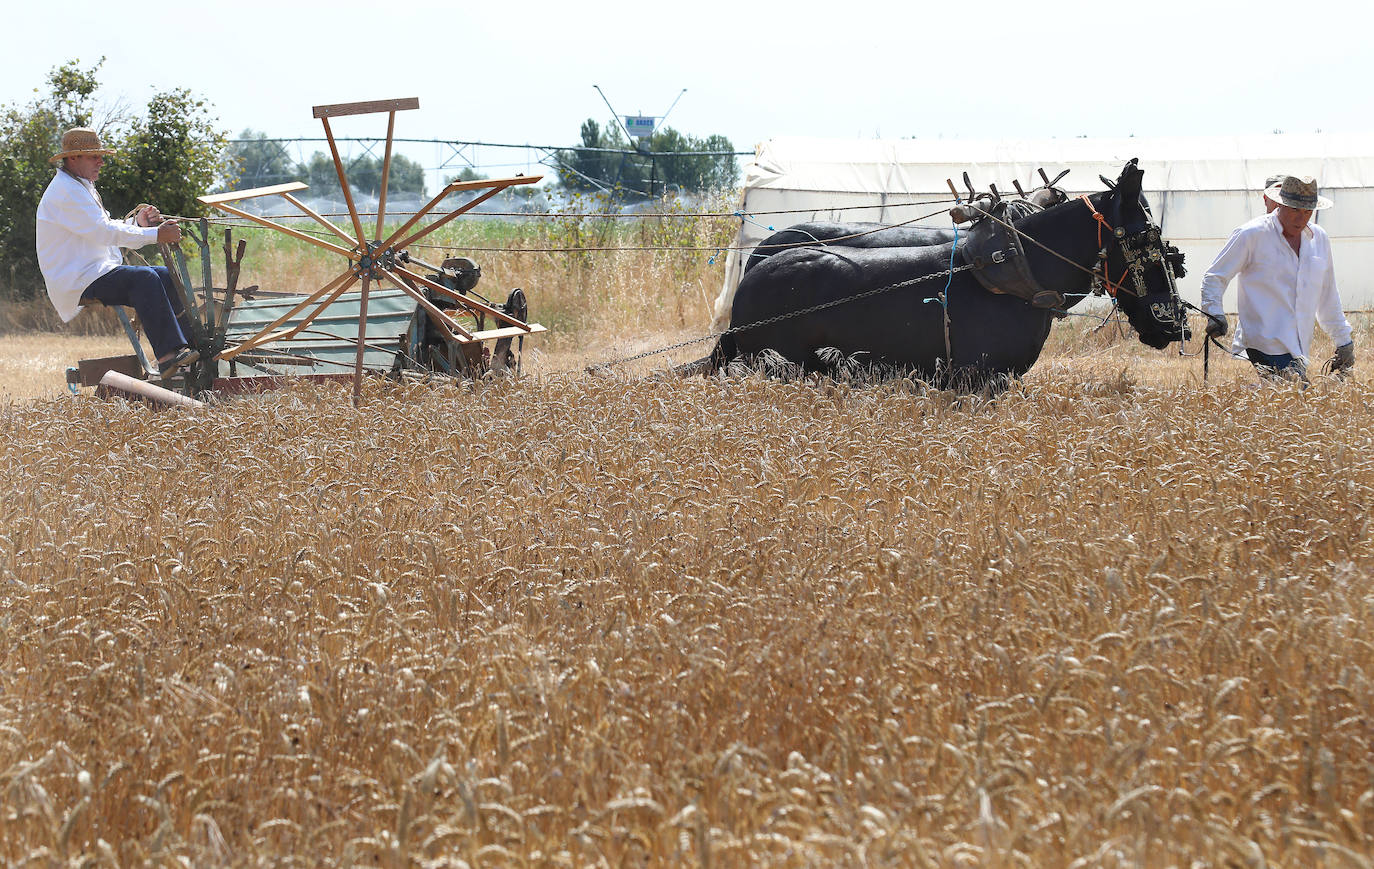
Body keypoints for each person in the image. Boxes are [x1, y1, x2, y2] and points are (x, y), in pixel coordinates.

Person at [36, 127, 198, 376]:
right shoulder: (66, 191)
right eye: (94, 156)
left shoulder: (81, 185)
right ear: (73, 158)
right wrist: (155, 234)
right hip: (77, 277)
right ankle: (169, 357)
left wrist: (139, 225)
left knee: (165, 276)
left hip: (95, 270)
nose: (101, 161)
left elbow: (104, 229)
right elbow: (104, 232)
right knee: (144, 280)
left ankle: (192, 349)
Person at [1200, 175, 1354, 382]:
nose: (1301, 219)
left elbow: (1328, 296)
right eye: (1295, 210)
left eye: (1308, 212)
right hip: (1263, 341)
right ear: (1280, 205)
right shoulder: (1251, 234)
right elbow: (1215, 276)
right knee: (1298, 398)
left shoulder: (1319, 239)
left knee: (1291, 407)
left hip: (1299, 346)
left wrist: (1344, 340)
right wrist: (1214, 312)